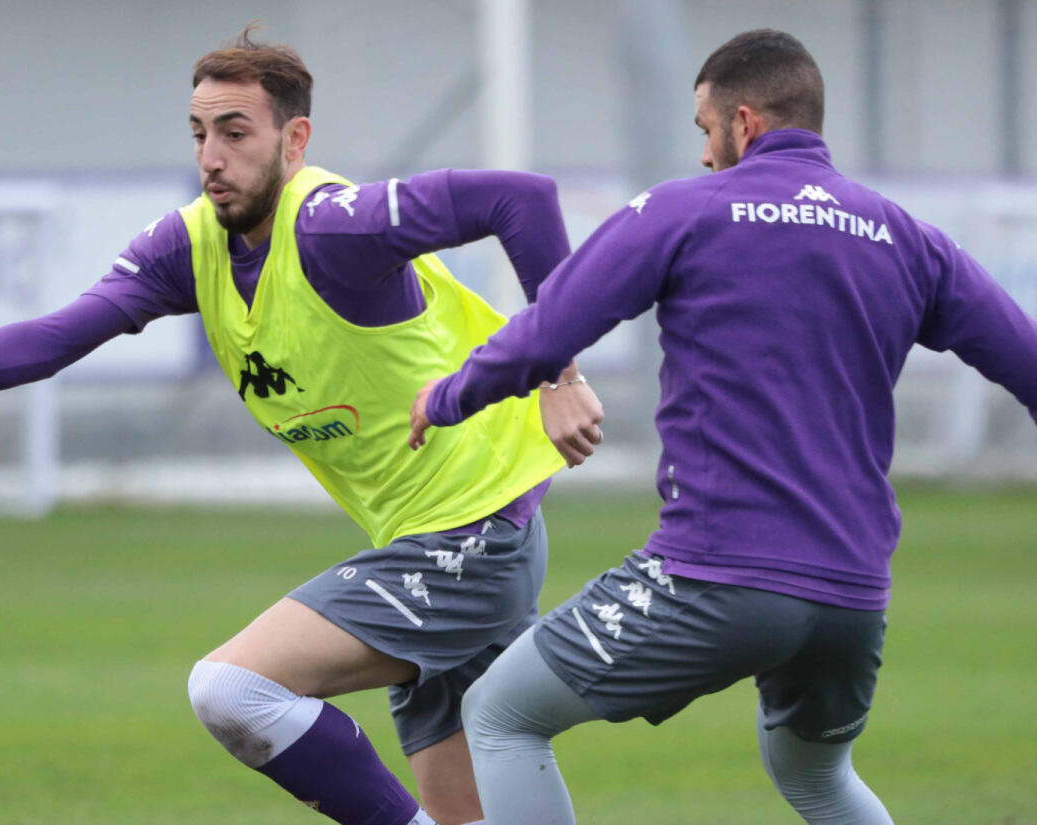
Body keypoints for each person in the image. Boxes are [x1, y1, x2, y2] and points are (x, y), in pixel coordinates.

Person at [0, 25, 605, 825]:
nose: (211, 155)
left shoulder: (334, 227)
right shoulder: (188, 244)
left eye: (236, 132)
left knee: (233, 686)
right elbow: (69, 328)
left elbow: (518, 197)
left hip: (474, 533)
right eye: (200, 133)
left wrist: (558, 370)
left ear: (294, 138)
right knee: (481, 804)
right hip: (439, 533)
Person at [408, 28, 1037, 825]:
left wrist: (449, 395)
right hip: (852, 598)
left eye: (706, 130)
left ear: (745, 123)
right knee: (816, 775)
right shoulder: (909, 238)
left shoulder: (687, 210)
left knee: (500, 712)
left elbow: (549, 327)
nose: (705, 154)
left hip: (717, 576)